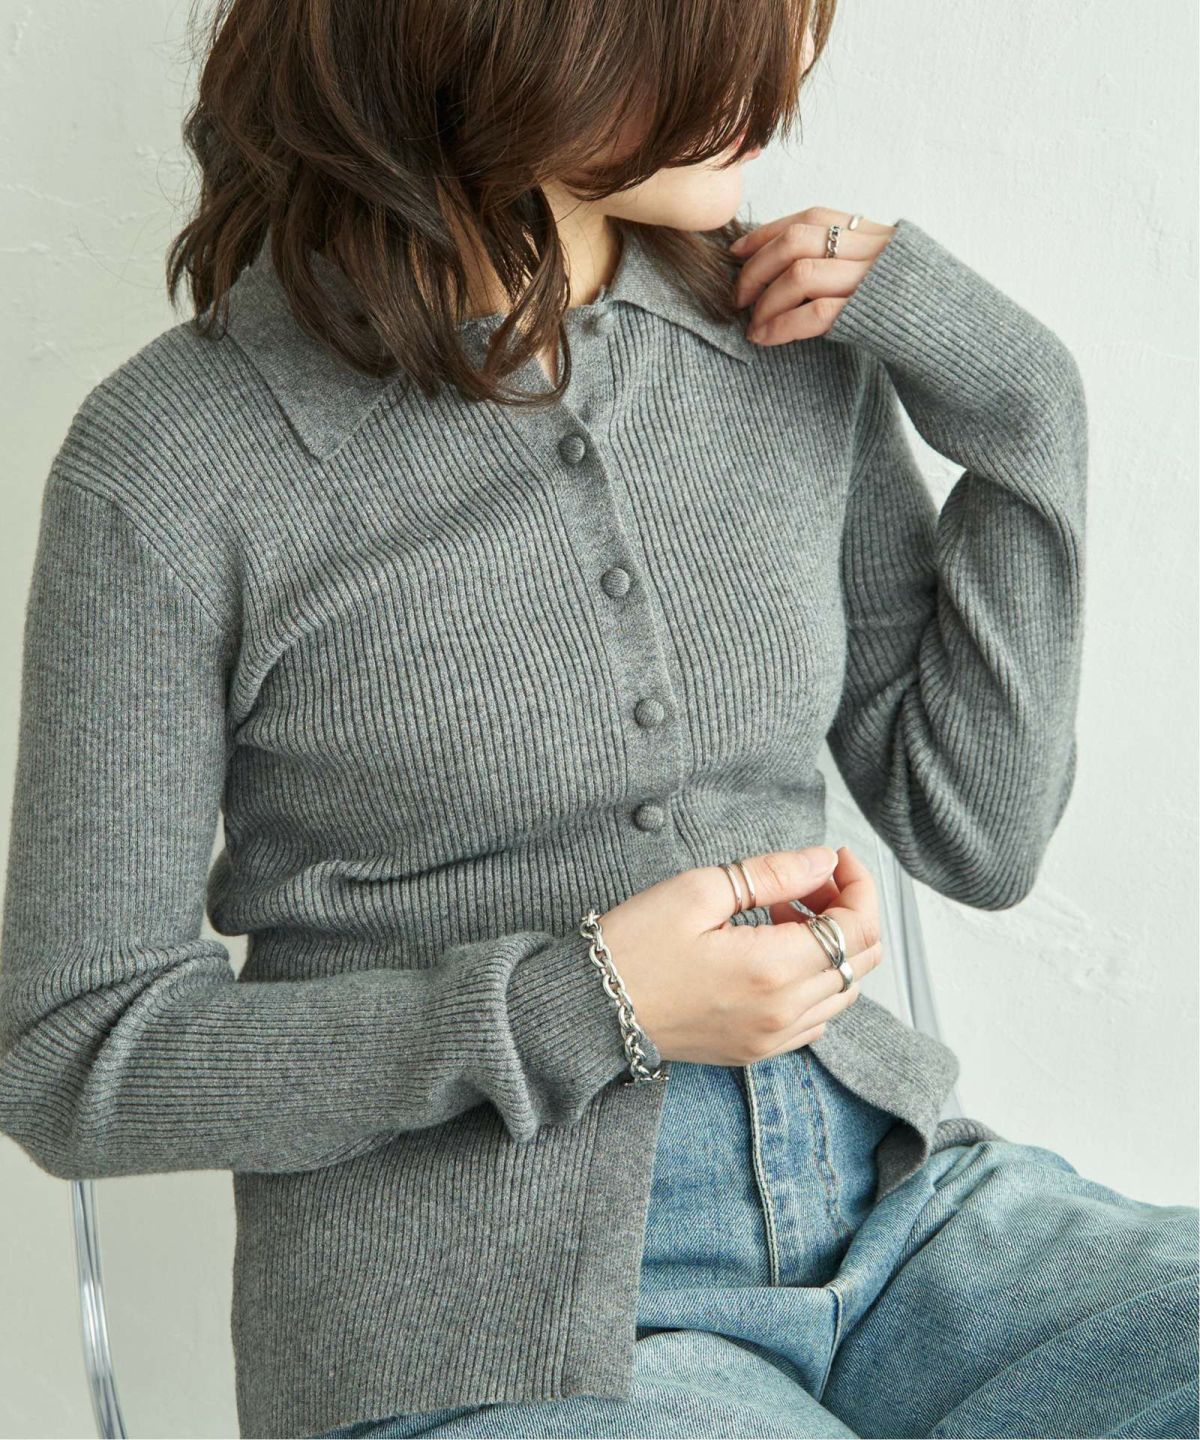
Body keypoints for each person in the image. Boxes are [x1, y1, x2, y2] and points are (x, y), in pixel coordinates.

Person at [1, 1, 1196, 1436]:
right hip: (480, 1319)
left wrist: (1027, 409)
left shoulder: (782, 346)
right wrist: (582, 1002)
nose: (785, 64)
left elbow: (977, 833)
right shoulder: (176, 463)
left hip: (900, 1217)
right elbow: (77, 1057)